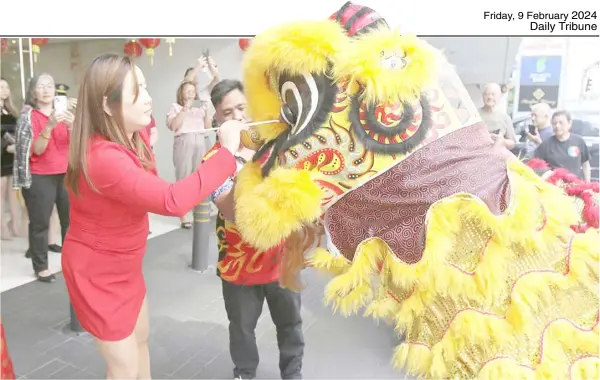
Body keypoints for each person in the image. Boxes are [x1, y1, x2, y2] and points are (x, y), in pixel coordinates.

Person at [61, 53, 244, 380]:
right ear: (107, 104)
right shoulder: (102, 157)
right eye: (139, 91)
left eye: (146, 87)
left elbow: (153, 185)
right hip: (97, 273)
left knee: (140, 340)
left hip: (125, 264)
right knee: (124, 366)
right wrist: (227, 152)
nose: (149, 99)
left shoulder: (133, 136)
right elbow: (171, 200)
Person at [205, 79, 304, 380]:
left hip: (282, 256)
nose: (236, 116)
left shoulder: (278, 144)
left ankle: (293, 374)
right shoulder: (213, 159)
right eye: (226, 113)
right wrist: (234, 156)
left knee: (291, 324)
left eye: (240, 107)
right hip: (239, 263)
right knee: (242, 329)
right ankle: (244, 374)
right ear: (217, 121)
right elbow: (231, 210)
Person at [13, 73, 73, 282]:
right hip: (40, 176)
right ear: (33, 92)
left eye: (50, 85)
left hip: (66, 174)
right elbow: (37, 150)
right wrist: (49, 126)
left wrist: (73, 125)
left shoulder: (66, 114)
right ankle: (41, 267)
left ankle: (71, 262)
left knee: (70, 221)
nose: (47, 90)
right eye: (41, 86)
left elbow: (76, 145)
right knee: (40, 223)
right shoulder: (29, 117)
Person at [167, 81, 211, 228]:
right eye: (188, 91)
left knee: (199, 177)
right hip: (184, 141)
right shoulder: (176, 107)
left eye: (193, 91)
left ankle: (198, 209)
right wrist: (185, 108)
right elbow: (173, 126)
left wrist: (207, 110)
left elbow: (208, 127)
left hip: (200, 140)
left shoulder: (199, 109)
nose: (191, 94)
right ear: (181, 93)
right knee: (183, 177)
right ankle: (182, 214)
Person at [534, 110, 591, 182]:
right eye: (554, 123)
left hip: (575, 186)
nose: (557, 126)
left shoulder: (579, 141)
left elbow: (585, 163)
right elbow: (537, 167)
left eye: (561, 123)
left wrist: (587, 182)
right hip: (553, 187)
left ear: (569, 123)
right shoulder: (546, 144)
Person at [0, 78, 21, 240]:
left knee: (13, 194)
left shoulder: (12, 111)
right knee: (1, 195)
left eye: (7, 87)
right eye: (1, 87)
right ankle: (2, 229)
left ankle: (15, 225)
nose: (5, 90)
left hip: (12, 157)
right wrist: (6, 146)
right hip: (2, 155)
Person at [479, 82, 516, 150]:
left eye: (493, 94)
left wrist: (502, 141)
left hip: (497, 157)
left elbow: (512, 143)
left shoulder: (505, 118)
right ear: (483, 96)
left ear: (499, 97)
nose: (490, 97)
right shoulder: (474, 115)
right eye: (487, 94)